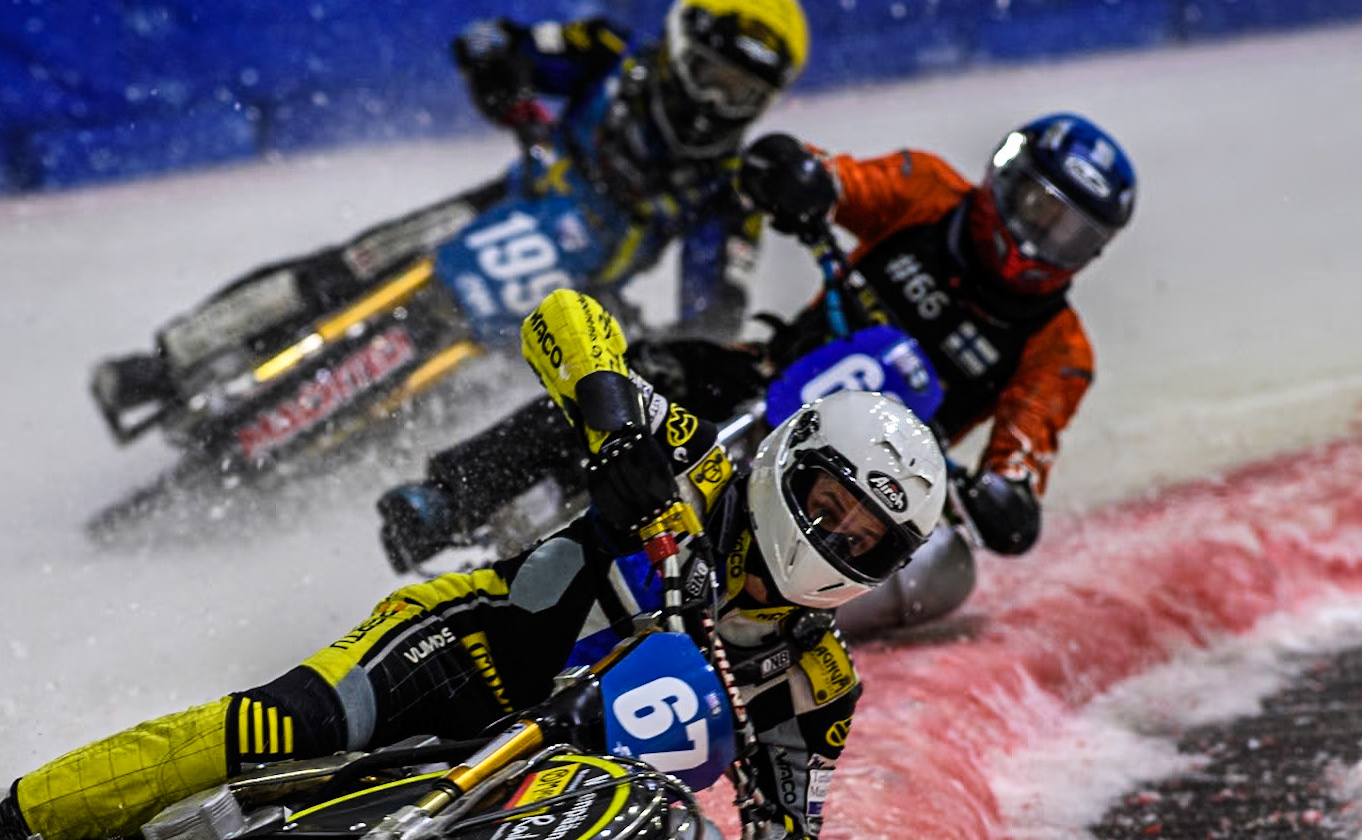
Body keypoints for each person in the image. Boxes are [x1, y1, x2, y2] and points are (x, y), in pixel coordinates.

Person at [0, 288, 947, 840]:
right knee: (283, 727)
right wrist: (610, 428)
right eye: (828, 505)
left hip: (544, 782)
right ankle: (1, 825)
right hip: (468, 651)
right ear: (790, 468)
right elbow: (565, 317)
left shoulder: (821, 685)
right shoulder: (694, 457)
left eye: (864, 539)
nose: (836, 539)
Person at [377, 113, 1137, 570]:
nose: (1038, 235)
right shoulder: (926, 192)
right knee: (645, 369)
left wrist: (1002, 495)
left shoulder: (1056, 348)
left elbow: (1022, 456)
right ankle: (447, 496)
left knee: (902, 565)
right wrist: (801, 180)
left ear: (1092, 249)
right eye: (1037, 206)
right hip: (771, 374)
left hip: (865, 480)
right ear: (1004, 181)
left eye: (1067, 228)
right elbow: (841, 181)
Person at [89, 0, 812, 439]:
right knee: (337, 271)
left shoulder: (729, 186)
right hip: (499, 207)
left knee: (468, 402)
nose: (716, 102)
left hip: (569, 297)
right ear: (684, 43)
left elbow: (714, 302)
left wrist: (683, 342)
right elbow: (493, 40)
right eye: (711, 75)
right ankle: (168, 361)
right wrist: (501, 75)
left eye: (740, 93)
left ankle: (321, 477)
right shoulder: (609, 53)